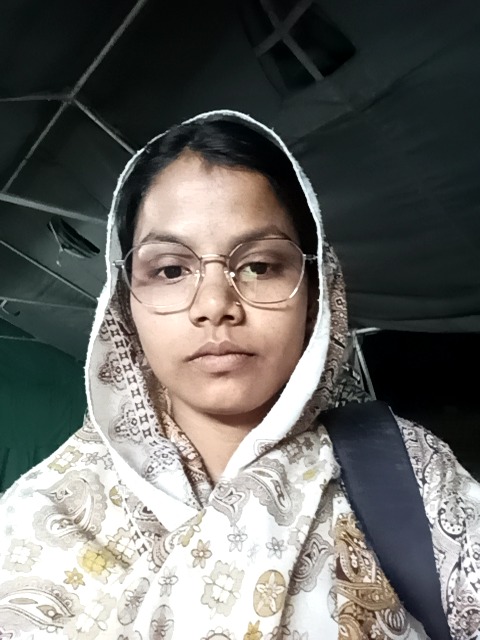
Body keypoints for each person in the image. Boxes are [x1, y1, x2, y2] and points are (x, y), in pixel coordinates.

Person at [0, 110, 478, 639]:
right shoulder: (40, 521)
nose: (214, 305)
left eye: (260, 266)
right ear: (123, 302)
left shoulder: (409, 474)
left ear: (316, 289)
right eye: (170, 270)